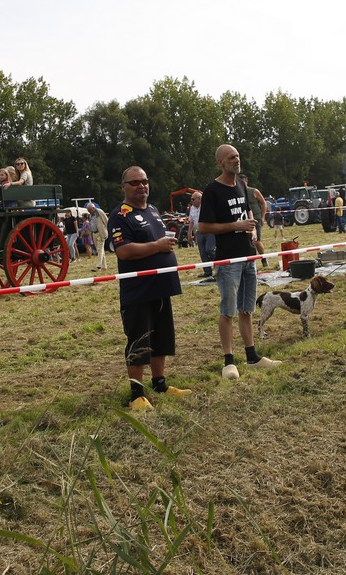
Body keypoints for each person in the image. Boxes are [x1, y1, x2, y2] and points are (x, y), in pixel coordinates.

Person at [199, 144, 281, 380]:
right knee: (228, 311)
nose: (236, 160)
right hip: (228, 259)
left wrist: (252, 228)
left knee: (247, 309)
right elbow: (204, 226)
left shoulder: (242, 185)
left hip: (248, 256)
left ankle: (252, 357)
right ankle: (229, 361)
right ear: (220, 163)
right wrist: (235, 226)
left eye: (237, 156)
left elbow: (247, 212)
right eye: (231, 157)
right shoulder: (212, 190)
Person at [110, 167, 189, 410]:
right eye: (134, 182)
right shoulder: (120, 215)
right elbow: (124, 250)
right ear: (123, 187)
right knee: (139, 340)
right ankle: (136, 394)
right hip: (138, 290)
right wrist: (157, 246)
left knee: (161, 337)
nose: (141, 186)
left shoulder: (153, 210)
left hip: (161, 286)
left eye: (144, 181)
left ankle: (160, 384)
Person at [188, 190, 214, 279]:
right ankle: (207, 271)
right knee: (202, 253)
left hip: (209, 231)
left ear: (199, 199)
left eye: (193, 199)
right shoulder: (192, 208)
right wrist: (189, 233)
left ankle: (219, 268)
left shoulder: (207, 205)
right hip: (199, 232)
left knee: (210, 250)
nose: (191, 201)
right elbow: (191, 221)